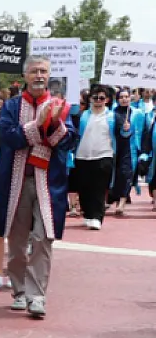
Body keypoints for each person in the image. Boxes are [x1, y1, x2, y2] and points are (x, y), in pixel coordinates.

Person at [0, 56, 77, 320]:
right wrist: (37, 124)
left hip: (49, 184)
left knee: (43, 238)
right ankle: (18, 291)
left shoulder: (62, 106)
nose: (39, 75)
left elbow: (68, 141)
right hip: (16, 181)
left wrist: (53, 123)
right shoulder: (11, 106)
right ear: (25, 75)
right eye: (34, 71)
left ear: (49, 74)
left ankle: (37, 296)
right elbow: (9, 137)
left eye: (43, 71)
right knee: (16, 242)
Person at [70, 85, 117, 230]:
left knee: (99, 187)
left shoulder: (113, 117)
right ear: (90, 99)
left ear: (107, 100)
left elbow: (123, 134)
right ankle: (88, 214)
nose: (98, 100)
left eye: (101, 98)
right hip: (82, 156)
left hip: (104, 155)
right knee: (84, 187)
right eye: (95, 97)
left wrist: (126, 129)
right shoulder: (82, 115)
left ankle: (97, 217)